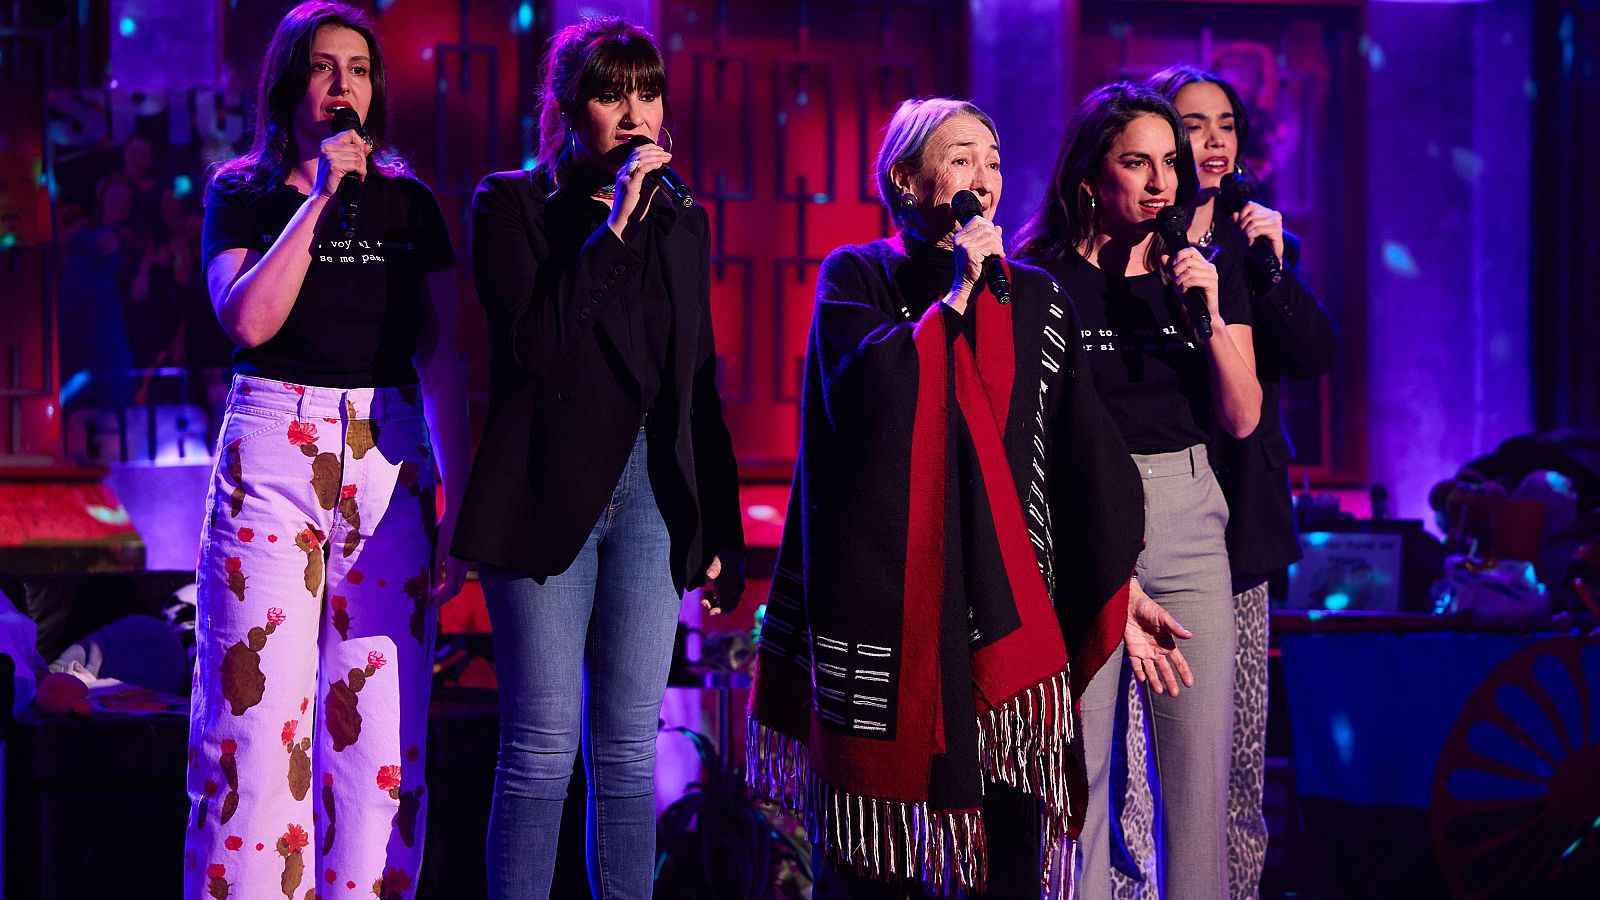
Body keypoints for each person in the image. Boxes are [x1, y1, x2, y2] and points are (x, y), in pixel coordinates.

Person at [746, 97, 1192, 899]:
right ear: (905, 180)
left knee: (1009, 851)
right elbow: (866, 400)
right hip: (893, 604)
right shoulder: (858, 276)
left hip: (1005, 612)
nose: (981, 179)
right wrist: (953, 298)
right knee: (875, 867)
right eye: (958, 160)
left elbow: (1077, 460)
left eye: (991, 160)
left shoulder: (1035, 297)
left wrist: (1118, 593)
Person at [449, 16, 745, 900]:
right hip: (545, 496)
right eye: (611, 92)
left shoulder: (683, 220)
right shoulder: (510, 205)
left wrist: (716, 521)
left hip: (654, 494)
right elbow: (535, 344)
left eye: (647, 91)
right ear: (568, 105)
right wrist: (614, 224)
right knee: (540, 747)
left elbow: (697, 378)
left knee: (626, 749)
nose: (634, 112)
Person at [183, 3, 470, 898]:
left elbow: (446, 354)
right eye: (323, 66)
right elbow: (249, 318)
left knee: (381, 741)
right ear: (287, 84)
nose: (344, 83)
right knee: (255, 726)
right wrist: (316, 200)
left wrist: (456, 495)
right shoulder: (243, 190)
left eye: (359, 67)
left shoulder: (408, 203)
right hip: (275, 443)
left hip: (387, 453)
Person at [1016, 82, 1261, 900]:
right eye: (1137, 163)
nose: (1161, 182)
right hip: (1081, 525)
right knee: (1077, 780)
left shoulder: (1200, 275)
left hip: (1190, 520)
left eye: (1170, 163)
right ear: (1091, 176)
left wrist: (1212, 311)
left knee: (1197, 787)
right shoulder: (1037, 278)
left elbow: (1243, 414)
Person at [1150, 64, 1337, 900]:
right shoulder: (1128, 240)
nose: (1214, 140)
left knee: (1234, 759)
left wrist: (1266, 265)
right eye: (1193, 124)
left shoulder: (1253, 241)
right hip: (1152, 510)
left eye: (1226, 123)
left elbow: (1314, 354)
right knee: (1143, 771)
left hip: (1240, 522)